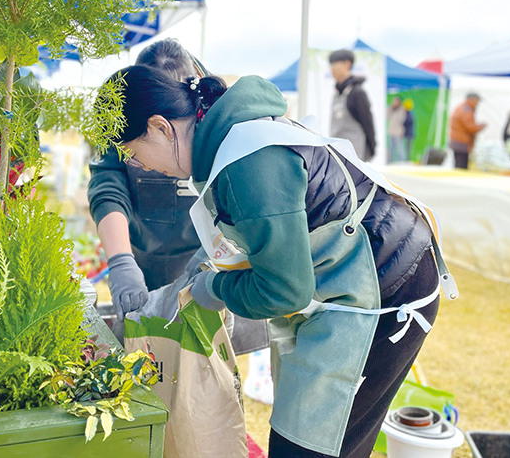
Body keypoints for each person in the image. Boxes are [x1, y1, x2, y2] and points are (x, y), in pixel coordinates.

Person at [107, 65, 448, 458]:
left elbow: (285, 290)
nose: (140, 166)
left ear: (160, 127)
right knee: (298, 436)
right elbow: (269, 227)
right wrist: (204, 266)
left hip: (384, 288)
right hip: (339, 286)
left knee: (313, 445)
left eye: (133, 153)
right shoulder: (229, 139)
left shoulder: (247, 160)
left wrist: (213, 288)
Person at [88, 39, 204, 321]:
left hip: (206, 264)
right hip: (144, 264)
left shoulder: (214, 117)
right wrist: (121, 261)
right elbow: (108, 188)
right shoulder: (126, 113)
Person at [329, 49, 376, 160]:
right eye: (331, 65)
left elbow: (367, 122)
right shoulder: (337, 94)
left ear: (347, 64)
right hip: (338, 153)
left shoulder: (357, 93)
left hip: (355, 155)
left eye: (335, 64)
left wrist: (372, 148)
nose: (332, 68)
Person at [448, 93, 485, 169]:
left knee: (458, 164)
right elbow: (471, 128)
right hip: (462, 142)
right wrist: (480, 127)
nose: (477, 104)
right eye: (477, 101)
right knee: (462, 166)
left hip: (457, 141)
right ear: (471, 100)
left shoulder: (460, 107)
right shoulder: (467, 111)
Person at [386, 97, 407, 163]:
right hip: (391, 131)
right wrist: (391, 108)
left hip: (398, 132)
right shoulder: (391, 109)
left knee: (399, 148)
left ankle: (402, 162)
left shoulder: (401, 110)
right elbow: (387, 116)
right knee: (391, 148)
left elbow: (401, 119)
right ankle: (390, 161)